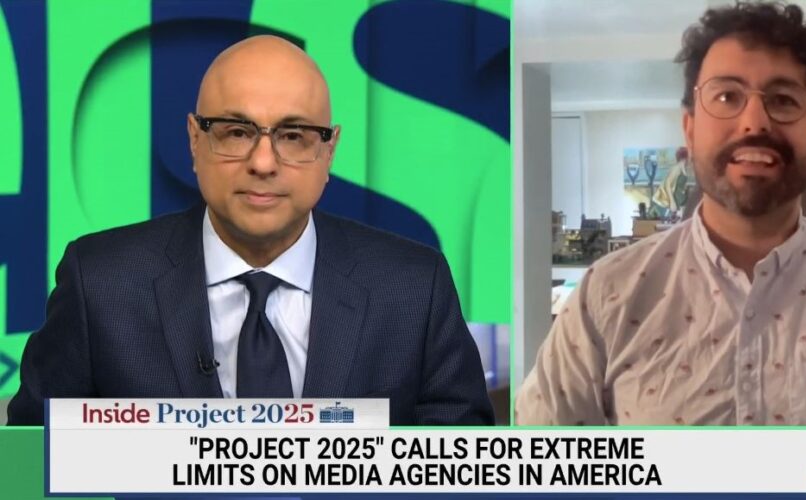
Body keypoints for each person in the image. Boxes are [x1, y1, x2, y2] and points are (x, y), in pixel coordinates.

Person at [516, 2, 806, 426]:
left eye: (784, 100)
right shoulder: (608, 294)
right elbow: (538, 480)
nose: (755, 121)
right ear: (690, 127)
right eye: (726, 96)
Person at [8, 36, 494, 426]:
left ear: (328, 152)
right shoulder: (101, 282)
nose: (263, 163)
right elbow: (33, 470)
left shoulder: (413, 286)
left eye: (294, 136)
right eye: (236, 132)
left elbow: (456, 486)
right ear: (196, 140)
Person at [652, 147, 692, 214]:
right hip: (669, 204)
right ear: (686, 157)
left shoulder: (683, 168)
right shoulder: (677, 168)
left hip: (677, 203)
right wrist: (672, 202)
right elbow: (667, 184)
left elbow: (678, 184)